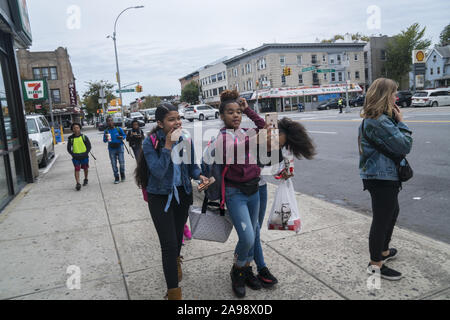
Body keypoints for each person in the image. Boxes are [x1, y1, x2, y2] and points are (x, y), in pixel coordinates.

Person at [134, 103, 209, 300]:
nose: (177, 123)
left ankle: (175, 261)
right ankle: (174, 294)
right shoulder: (150, 142)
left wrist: (200, 176)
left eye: (178, 118)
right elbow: (158, 172)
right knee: (167, 244)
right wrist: (168, 145)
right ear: (160, 123)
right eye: (171, 119)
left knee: (176, 240)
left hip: (182, 194)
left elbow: (193, 167)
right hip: (159, 197)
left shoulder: (185, 139)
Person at [216, 89, 274, 298]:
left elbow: (265, 127)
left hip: (254, 190)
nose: (235, 115)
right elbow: (236, 150)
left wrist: (249, 110)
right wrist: (257, 137)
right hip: (235, 193)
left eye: (238, 112)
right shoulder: (222, 137)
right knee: (247, 237)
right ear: (222, 116)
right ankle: (237, 271)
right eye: (230, 112)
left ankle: (246, 269)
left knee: (254, 233)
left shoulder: (243, 131)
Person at [358, 78, 413, 281]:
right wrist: (402, 122)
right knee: (381, 219)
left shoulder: (378, 119)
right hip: (380, 177)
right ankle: (375, 265)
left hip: (380, 175)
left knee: (391, 212)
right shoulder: (379, 121)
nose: (396, 97)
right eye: (393, 93)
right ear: (384, 96)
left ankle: (383, 252)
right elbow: (405, 145)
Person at [255, 117, 316, 288]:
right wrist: (246, 109)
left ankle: (245, 267)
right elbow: (263, 122)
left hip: (259, 189)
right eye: (279, 142)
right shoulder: (257, 139)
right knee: (250, 234)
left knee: (254, 233)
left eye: (282, 144)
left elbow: (272, 170)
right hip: (242, 191)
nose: (279, 146)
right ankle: (259, 268)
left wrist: (284, 173)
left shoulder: (281, 149)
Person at [67, 122, 91, 191]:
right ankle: (78, 183)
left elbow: (89, 146)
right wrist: (73, 154)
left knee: (85, 168)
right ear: (72, 129)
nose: (76, 129)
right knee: (77, 169)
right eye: (74, 128)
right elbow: (68, 149)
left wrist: (86, 153)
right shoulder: (71, 138)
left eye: (77, 127)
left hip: (84, 156)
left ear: (80, 128)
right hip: (76, 157)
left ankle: (86, 179)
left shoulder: (84, 137)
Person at [103, 116, 126, 184]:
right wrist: (106, 138)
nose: (110, 122)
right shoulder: (106, 131)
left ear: (113, 121)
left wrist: (122, 137)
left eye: (111, 120)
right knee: (113, 164)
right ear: (107, 122)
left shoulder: (118, 129)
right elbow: (104, 140)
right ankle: (116, 177)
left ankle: (122, 174)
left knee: (122, 162)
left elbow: (124, 136)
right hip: (111, 148)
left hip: (120, 147)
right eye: (108, 121)